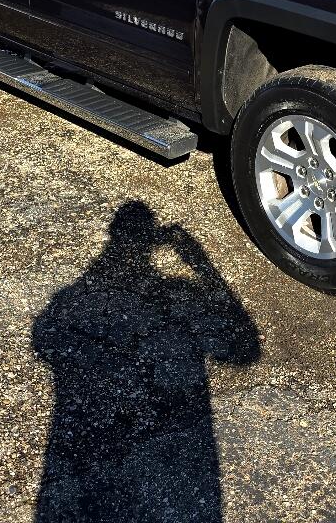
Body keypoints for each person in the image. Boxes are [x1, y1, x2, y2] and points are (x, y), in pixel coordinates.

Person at [31, 200, 260, 522]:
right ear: (151, 239)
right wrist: (200, 264)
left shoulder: (68, 297)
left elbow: (45, 341)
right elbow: (244, 352)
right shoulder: (178, 289)